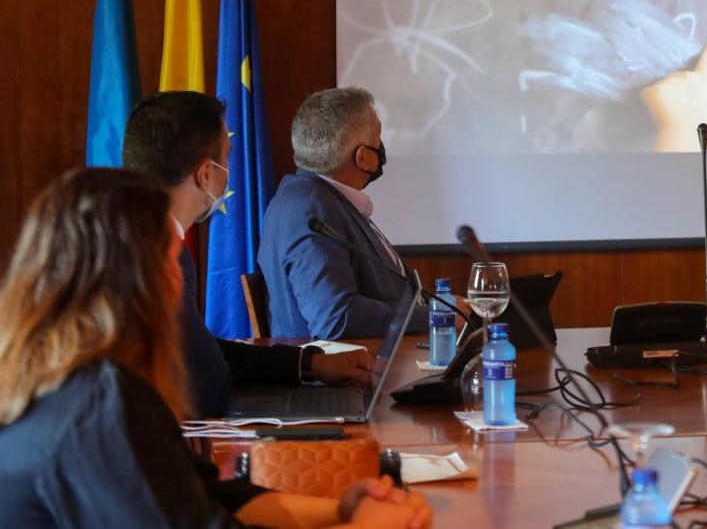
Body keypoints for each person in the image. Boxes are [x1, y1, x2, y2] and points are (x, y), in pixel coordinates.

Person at [0, 168, 432, 528]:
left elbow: (211, 498)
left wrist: (340, 510)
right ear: (137, 279)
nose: (178, 279)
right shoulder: (98, 401)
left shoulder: (62, 381)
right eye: (170, 259)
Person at [123, 91, 373, 418]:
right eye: (226, 157)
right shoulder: (154, 254)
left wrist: (309, 364)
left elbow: (200, 351)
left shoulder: (139, 236)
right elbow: (205, 382)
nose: (229, 171)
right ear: (205, 174)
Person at [260, 87, 428, 339]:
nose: (382, 147)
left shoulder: (321, 198)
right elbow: (335, 318)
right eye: (378, 138)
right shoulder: (310, 210)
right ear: (363, 158)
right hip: (346, 372)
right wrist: (434, 317)